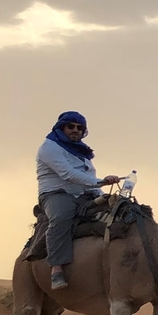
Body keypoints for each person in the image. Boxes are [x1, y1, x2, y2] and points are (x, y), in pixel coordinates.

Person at [35, 111, 122, 290]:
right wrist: (102, 182)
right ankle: (56, 269)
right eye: (71, 126)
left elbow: (89, 176)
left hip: (85, 195)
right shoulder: (49, 147)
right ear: (62, 127)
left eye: (80, 128)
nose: (75, 130)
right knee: (61, 217)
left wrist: (102, 195)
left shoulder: (83, 153)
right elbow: (67, 174)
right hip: (57, 193)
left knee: (120, 213)